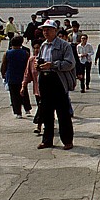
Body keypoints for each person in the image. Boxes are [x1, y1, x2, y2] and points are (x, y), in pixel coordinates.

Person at [36, 20, 76, 150]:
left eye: (48, 29)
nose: (45, 32)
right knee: (46, 112)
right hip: (45, 80)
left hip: (58, 81)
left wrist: (53, 65)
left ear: (55, 30)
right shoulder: (43, 45)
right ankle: (47, 140)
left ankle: (67, 140)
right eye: (44, 30)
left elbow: (70, 63)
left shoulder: (64, 45)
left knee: (63, 113)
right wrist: (39, 66)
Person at [1, 36, 32, 118]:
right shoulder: (25, 53)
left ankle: (18, 112)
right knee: (24, 93)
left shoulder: (7, 53)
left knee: (14, 95)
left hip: (11, 76)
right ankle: (27, 109)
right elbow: (28, 66)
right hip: (22, 76)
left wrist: (3, 74)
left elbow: (4, 65)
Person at [22, 40, 44, 135]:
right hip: (37, 90)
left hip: (47, 89)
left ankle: (38, 125)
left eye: (38, 48)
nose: (36, 50)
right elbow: (27, 74)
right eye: (34, 48)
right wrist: (23, 86)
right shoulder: (31, 60)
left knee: (42, 106)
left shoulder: (45, 59)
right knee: (41, 106)